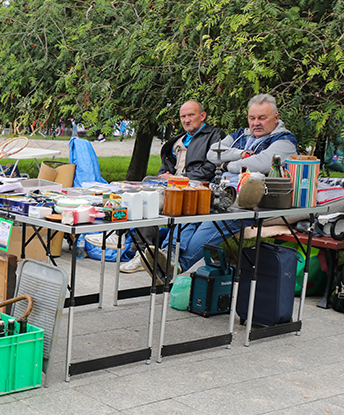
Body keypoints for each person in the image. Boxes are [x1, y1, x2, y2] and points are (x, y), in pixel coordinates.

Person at [144, 94, 298, 279]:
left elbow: (260, 164)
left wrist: (227, 164)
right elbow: (213, 153)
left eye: (262, 118)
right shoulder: (240, 135)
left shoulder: (285, 141)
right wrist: (242, 154)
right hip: (222, 195)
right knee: (191, 208)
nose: (256, 123)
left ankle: (175, 266)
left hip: (253, 203)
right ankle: (170, 253)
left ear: (276, 117)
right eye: (252, 118)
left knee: (214, 222)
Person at [121, 101, 224, 273]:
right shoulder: (178, 140)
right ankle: (141, 251)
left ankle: (157, 253)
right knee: (143, 196)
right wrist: (164, 178)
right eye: (183, 116)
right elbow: (166, 167)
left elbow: (211, 169)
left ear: (202, 116)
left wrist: (179, 178)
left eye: (191, 115)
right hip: (171, 186)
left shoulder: (214, 135)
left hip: (196, 188)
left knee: (162, 202)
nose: (187, 120)